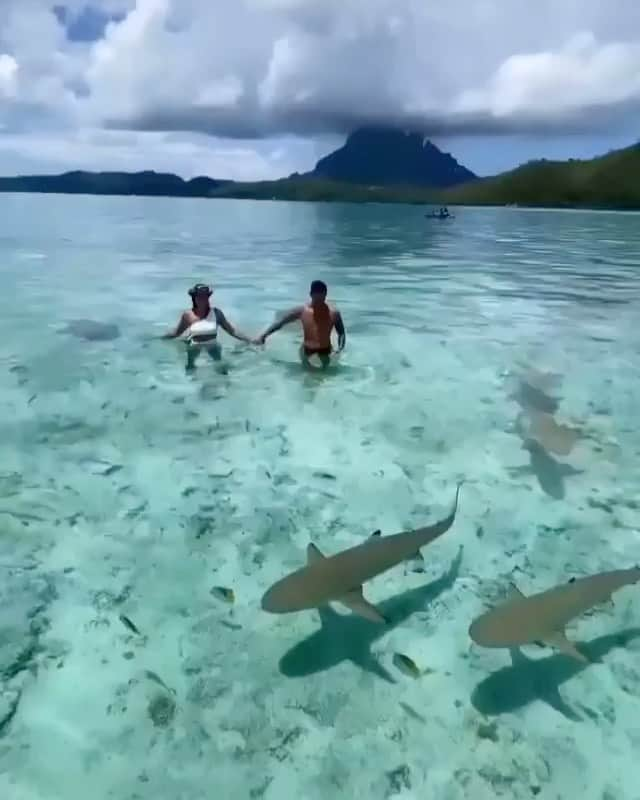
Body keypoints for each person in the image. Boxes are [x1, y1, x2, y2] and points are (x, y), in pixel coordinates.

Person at [254, 279, 345, 368]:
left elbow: (341, 333)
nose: (319, 302)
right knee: (305, 375)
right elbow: (280, 323)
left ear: (325, 295)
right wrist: (264, 335)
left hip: (325, 350)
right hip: (307, 349)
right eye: (317, 299)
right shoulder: (302, 311)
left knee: (326, 376)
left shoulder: (334, 313)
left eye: (322, 298)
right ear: (311, 295)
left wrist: (340, 349)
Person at [163, 283, 252, 370]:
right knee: (190, 368)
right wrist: (159, 339)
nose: (203, 299)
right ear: (194, 298)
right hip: (194, 347)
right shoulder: (188, 315)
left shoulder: (217, 313)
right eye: (200, 296)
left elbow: (232, 331)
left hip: (213, 345)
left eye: (205, 296)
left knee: (221, 369)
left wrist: (250, 340)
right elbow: (176, 333)